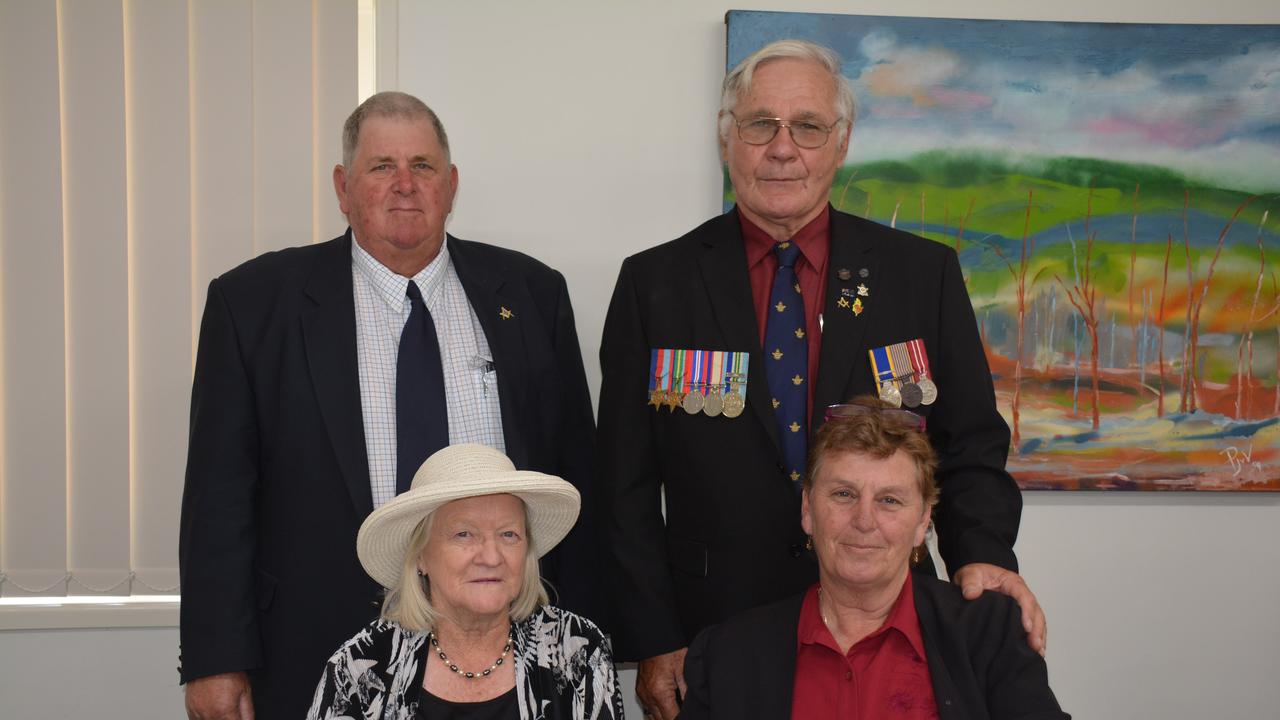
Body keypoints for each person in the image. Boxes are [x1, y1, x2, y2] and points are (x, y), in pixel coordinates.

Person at [595, 40, 1044, 719]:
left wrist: (980, 555)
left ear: (840, 144)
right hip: (716, 636)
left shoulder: (920, 275)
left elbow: (971, 442)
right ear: (728, 140)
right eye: (760, 125)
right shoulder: (656, 283)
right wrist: (655, 636)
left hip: (890, 622)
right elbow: (623, 485)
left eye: (807, 127)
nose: (783, 149)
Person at [179, 91, 600, 719]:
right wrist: (216, 656)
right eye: (381, 167)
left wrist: (582, 642)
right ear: (343, 187)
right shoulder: (254, 305)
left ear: (451, 184)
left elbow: (574, 472)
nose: (404, 185)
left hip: (501, 651)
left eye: (423, 167)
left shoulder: (532, 296)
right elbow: (219, 498)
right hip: (311, 648)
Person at [680, 402, 1068, 719]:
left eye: (889, 500)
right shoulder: (727, 653)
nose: (864, 521)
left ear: (922, 523)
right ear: (807, 511)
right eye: (844, 494)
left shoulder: (987, 634)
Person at [308, 444, 624, 719]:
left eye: (508, 534)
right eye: (464, 534)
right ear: (420, 556)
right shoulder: (360, 666)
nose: (491, 556)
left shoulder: (576, 649)